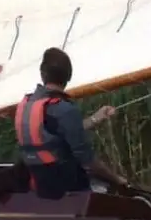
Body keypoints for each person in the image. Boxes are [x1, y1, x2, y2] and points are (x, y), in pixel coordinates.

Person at [12, 47, 124, 197]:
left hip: (38, 186)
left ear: (42, 74)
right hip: (68, 189)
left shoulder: (26, 104)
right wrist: (117, 179)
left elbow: (54, 133)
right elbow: (88, 161)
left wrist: (95, 118)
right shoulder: (65, 109)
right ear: (69, 77)